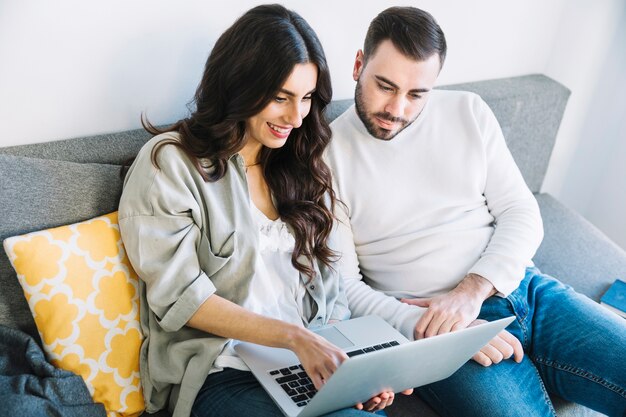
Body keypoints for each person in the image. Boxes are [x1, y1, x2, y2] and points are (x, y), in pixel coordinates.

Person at [326, 6, 626, 417]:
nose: (397, 109)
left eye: (417, 94)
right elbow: (344, 288)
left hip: (525, 289)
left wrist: (471, 293)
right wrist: (448, 328)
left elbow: (522, 211)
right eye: (385, 86)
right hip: (441, 332)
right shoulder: (322, 160)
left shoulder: (468, 111)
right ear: (359, 64)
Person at [118, 5, 407, 417]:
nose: (295, 116)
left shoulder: (299, 167)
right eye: (279, 97)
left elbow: (331, 292)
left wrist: (348, 365)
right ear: (240, 85)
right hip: (222, 376)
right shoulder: (170, 164)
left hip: (305, 365)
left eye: (306, 98)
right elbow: (181, 298)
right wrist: (294, 338)